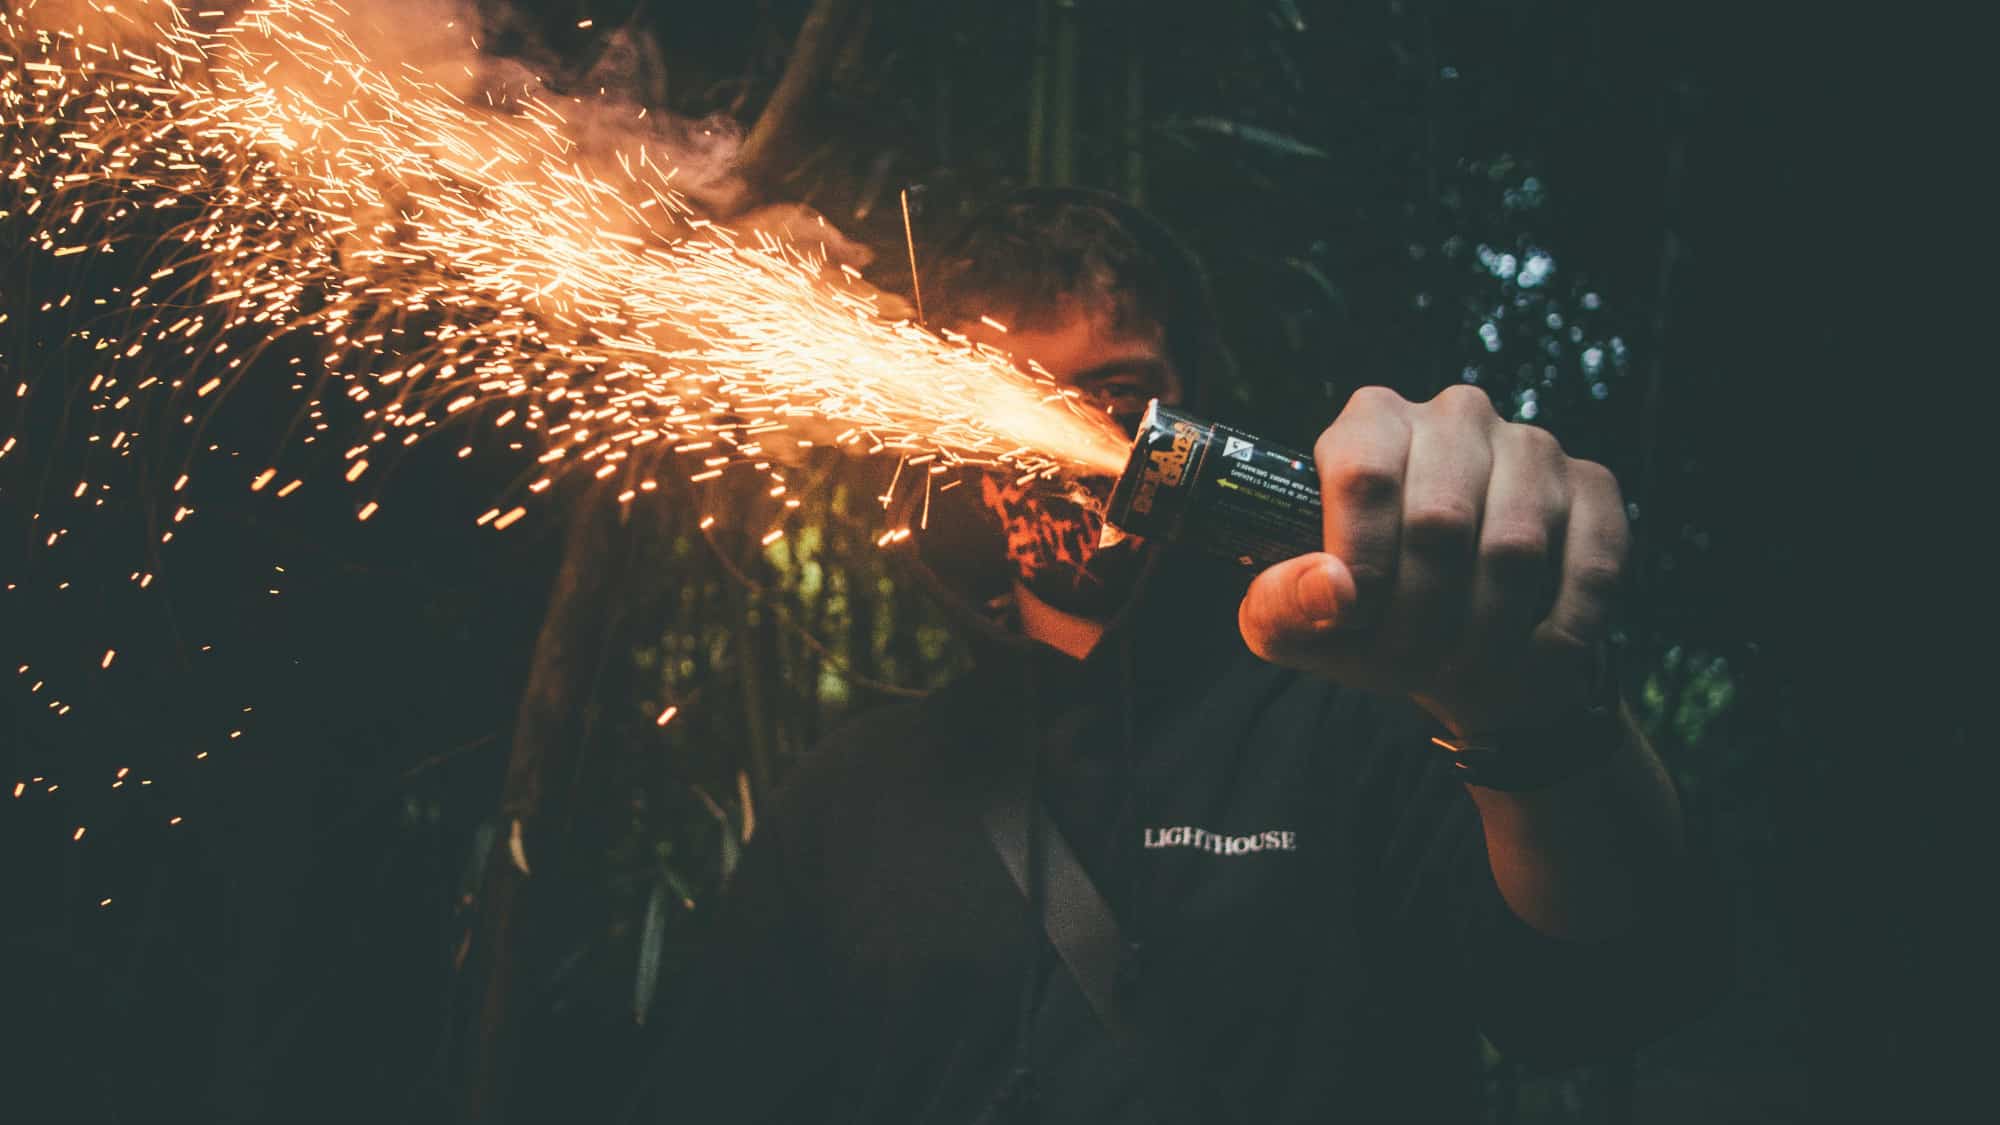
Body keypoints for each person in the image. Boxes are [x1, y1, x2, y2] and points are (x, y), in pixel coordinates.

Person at [638, 188, 1729, 1124]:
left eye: (1116, 391)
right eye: (1018, 392)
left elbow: (1602, 995)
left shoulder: (1366, 710)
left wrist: (1528, 713)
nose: (1068, 439)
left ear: (1188, 411)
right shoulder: (849, 795)